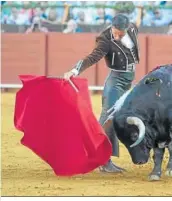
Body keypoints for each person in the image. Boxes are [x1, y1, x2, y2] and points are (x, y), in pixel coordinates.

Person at [63, 14, 140, 173]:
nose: (119, 36)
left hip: (128, 81)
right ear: (112, 27)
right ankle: (103, 160)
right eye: (117, 32)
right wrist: (74, 70)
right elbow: (92, 57)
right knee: (108, 118)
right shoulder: (104, 39)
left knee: (119, 117)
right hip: (116, 81)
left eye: (122, 33)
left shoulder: (132, 28)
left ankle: (103, 158)